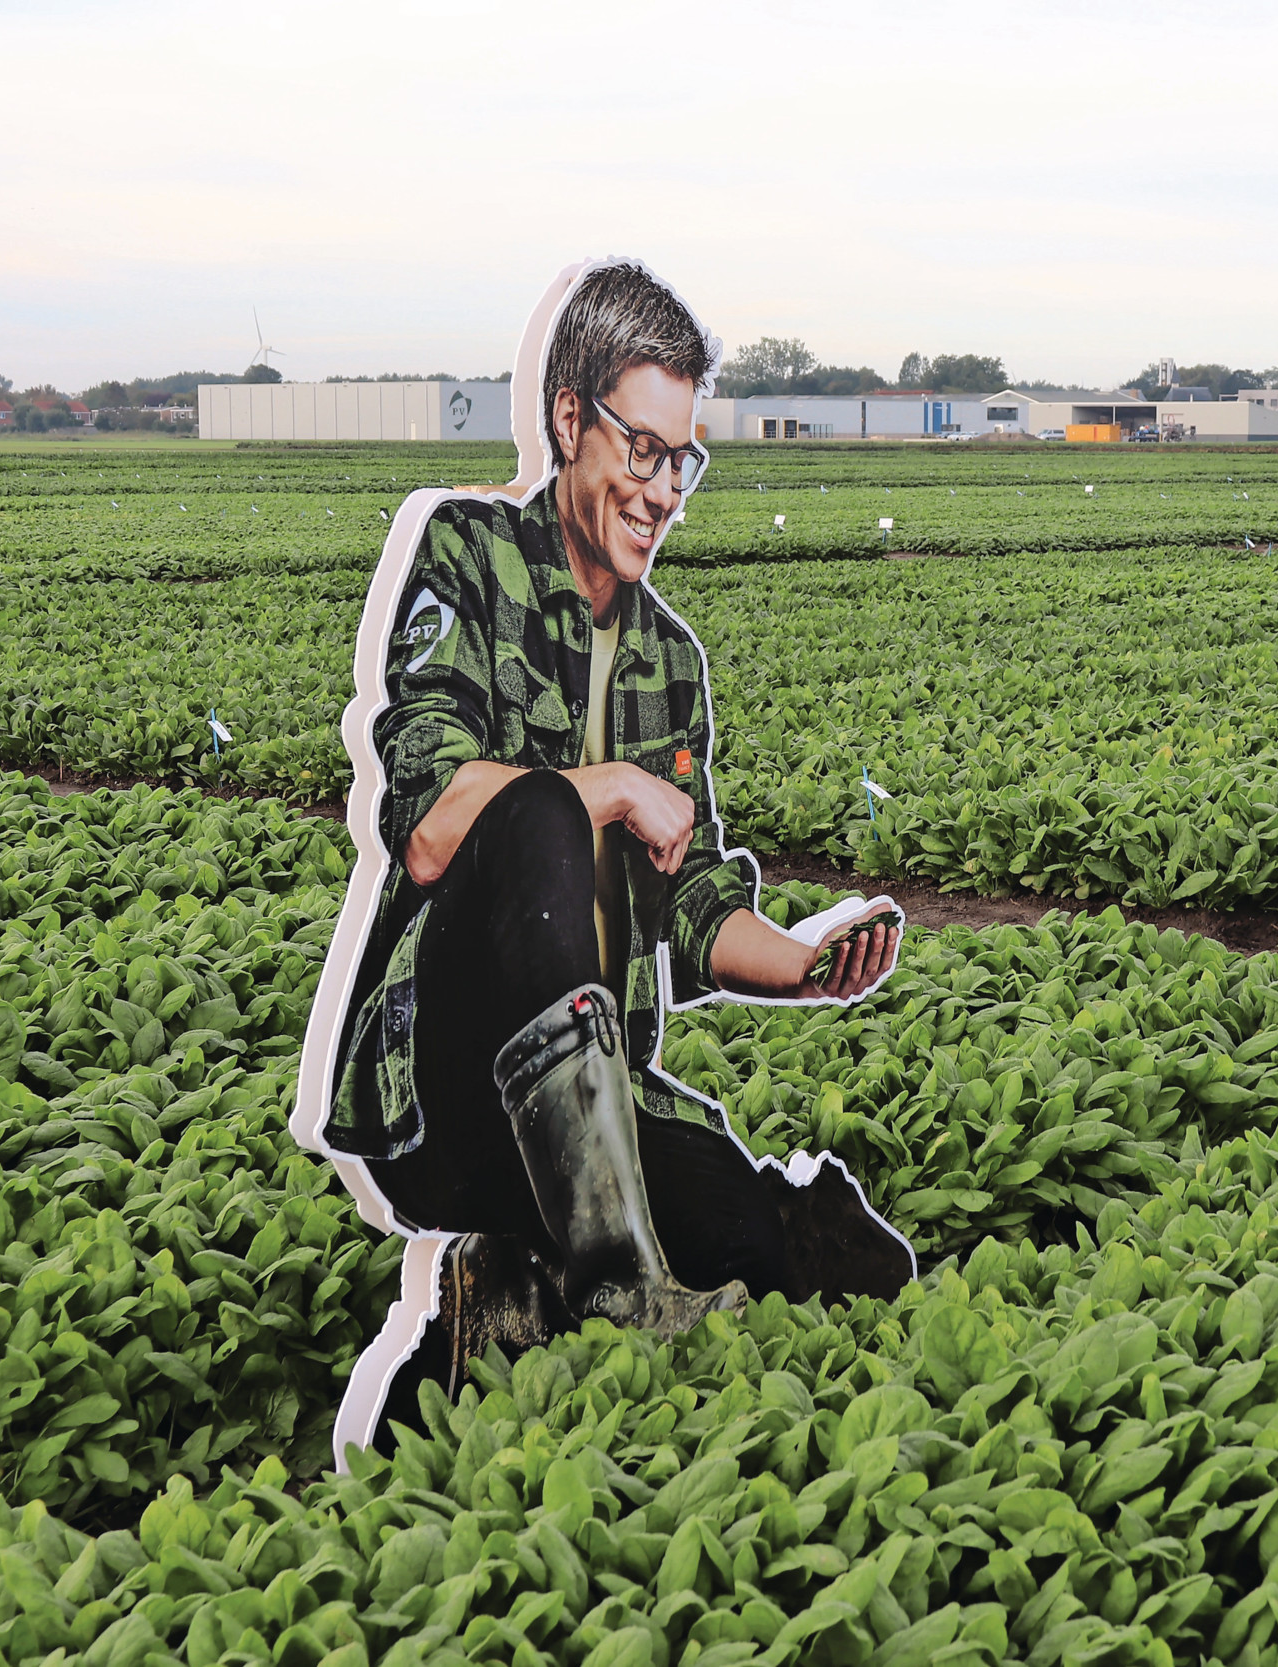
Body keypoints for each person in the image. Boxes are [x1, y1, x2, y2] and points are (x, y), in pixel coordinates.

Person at [318, 263, 910, 1399]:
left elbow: (684, 903)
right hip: (450, 1092)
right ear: (567, 421)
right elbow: (434, 826)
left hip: (591, 1114)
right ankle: (614, 1280)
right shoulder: (467, 557)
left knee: (790, 1242)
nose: (662, 489)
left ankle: (505, 1308)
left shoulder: (667, 659)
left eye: (681, 458)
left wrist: (798, 962)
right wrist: (615, 784)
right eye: (641, 448)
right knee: (533, 803)